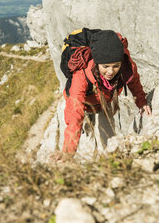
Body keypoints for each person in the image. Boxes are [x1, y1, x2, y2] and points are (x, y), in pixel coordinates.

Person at [55, 29, 151, 161]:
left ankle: (113, 167)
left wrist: (142, 102)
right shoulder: (82, 75)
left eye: (115, 66)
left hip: (103, 104)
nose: (111, 71)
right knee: (87, 152)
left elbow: (134, 82)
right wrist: (68, 151)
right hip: (82, 107)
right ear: (97, 63)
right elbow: (75, 113)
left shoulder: (126, 66)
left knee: (110, 142)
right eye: (105, 66)